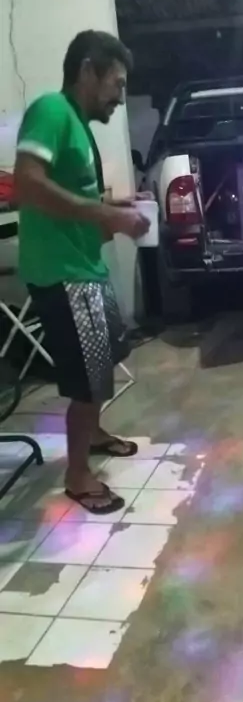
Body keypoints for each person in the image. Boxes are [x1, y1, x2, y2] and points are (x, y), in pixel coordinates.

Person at [13, 30, 151, 514]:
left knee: (107, 356)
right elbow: (27, 184)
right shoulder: (51, 110)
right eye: (117, 84)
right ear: (88, 71)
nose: (120, 97)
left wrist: (119, 205)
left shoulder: (76, 123)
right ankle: (77, 475)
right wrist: (106, 215)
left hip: (84, 267)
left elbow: (77, 196)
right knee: (87, 380)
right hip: (62, 273)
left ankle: (91, 435)